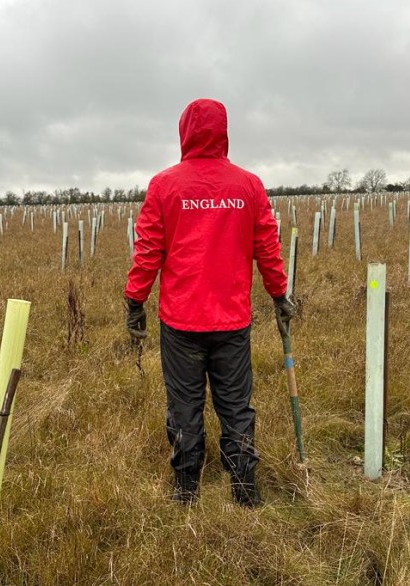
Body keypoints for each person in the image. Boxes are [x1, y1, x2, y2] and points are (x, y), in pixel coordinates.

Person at [123, 98, 296, 507]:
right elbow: (267, 248)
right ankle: (244, 490)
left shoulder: (165, 185)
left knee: (185, 406)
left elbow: (148, 250)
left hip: (181, 322)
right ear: (224, 132)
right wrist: (279, 295)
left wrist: (135, 301)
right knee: (236, 405)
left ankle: (186, 489)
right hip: (231, 321)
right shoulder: (247, 185)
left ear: (184, 132)